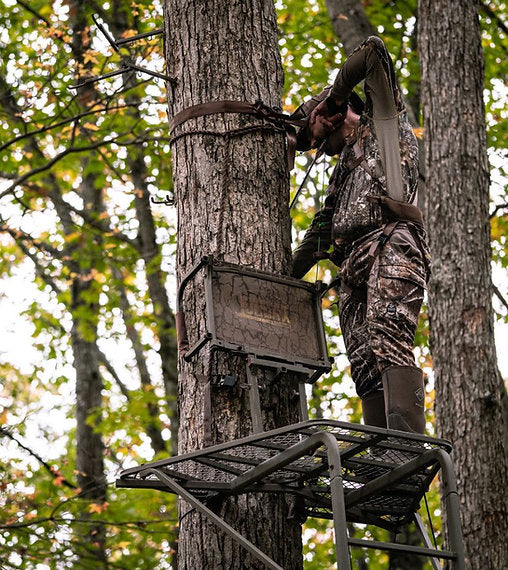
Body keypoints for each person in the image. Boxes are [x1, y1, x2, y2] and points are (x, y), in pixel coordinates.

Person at [291, 36, 430, 434]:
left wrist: (332, 100)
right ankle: (384, 453)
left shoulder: (384, 125)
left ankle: (406, 450)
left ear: (343, 112)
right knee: (365, 364)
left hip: (392, 243)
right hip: (352, 269)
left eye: (323, 139)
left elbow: (371, 54)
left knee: (388, 336)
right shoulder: (341, 176)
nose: (322, 149)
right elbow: (317, 240)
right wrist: (280, 277)